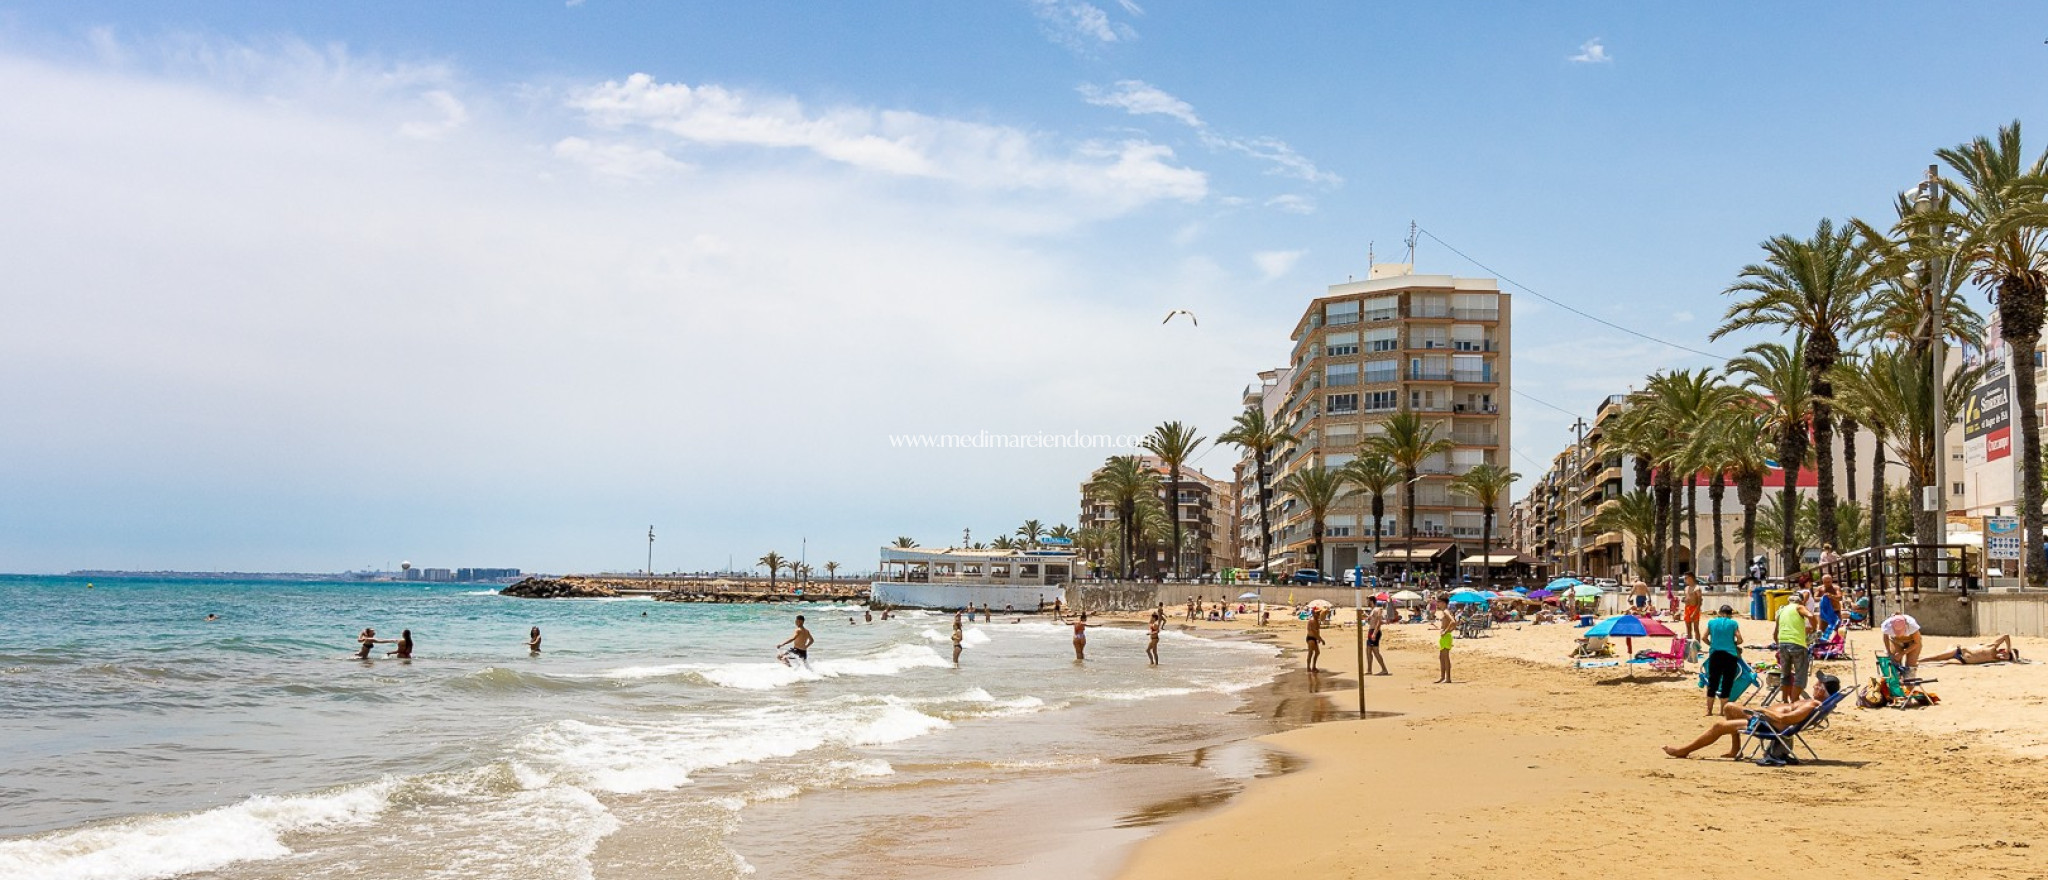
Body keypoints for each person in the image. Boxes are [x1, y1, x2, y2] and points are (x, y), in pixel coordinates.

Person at [1663, 674, 1840, 762]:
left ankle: (1684, 750)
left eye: (1819, 684)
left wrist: (1763, 711)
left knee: (1718, 725)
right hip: (1766, 719)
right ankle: (1735, 750)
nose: (1815, 685)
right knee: (1729, 707)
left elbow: (1786, 720)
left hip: (1769, 724)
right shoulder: (1814, 702)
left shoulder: (1811, 705)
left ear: (1823, 689)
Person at [1774, 591, 1820, 702]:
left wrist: (1779, 644)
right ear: (1800, 601)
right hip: (1797, 644)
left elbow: (1775, 632)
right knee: (1800, 675)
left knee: (1785, 675)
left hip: (1783, 643)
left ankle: (1784, 701)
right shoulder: (1799, 607)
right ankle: (1794, 702)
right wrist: (1814, 629)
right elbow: (1811, 615)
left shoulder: (1781, 610)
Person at [1703, 605, 1744, 715]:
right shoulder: (1733, 623)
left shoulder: (1712, 623)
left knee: (1713, 682)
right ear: (1730, 614)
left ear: (1720, 613)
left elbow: (1704, 637)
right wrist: (1734, 643)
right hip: (1730, 655)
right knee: (1727, 682)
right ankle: (1722, 711)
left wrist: (1712, 644)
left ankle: (1709, 711)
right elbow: (1740, 639)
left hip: (1715, 654)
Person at [1925, 635, 2020, 665]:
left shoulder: (1995, 661)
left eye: (2006, 658)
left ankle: (1948, 649)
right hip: (1961, 651)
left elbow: (2015, 661)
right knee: (1936, 657)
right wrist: (2009, 649)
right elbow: (2006, 636)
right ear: (2004, 651)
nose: (2003, 658)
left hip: (1963, 661)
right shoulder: (1992, 647)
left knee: (1944, 663)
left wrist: (2012, 658)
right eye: (2005, 655)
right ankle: (1918, 660)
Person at [1364, 602, 1389, 676]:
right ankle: (1369, 670)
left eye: (1368, 601)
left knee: (1375, 651)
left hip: (1374, 631)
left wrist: (1374, 633)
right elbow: (1372, 621)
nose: (1367, 602)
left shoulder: (1378, 610)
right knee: (1368, 651)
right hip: (1371, 630)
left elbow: (1379, 622)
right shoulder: (1373, 610)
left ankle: (1384, 669)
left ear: (1371, 601)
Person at [1434, 599, 1455, 684]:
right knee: (1441, 657)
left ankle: (1448, 678)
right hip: (1444, 636)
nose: (1437, 604)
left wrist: (1446, 631)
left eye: (1438, 602)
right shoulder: (1444, 612)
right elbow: (1453, 624)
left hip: (1446, 636)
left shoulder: (1446, 611)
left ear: (1443, 603)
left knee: (1445, 657)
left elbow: (1453, 622)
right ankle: (1443, 677)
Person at [1682, 573, 1704, 642]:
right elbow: (1687, 597)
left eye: (1686, 578)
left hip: (1694, 608)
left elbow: (1699, 602)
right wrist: (1684, 600)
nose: (1685, 580)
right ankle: (1689, 644)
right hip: (1687, 608)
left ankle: (1698, 645)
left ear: (1690, 578)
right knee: (1688, 628)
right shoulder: (1686, 588)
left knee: (1696, 628)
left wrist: (1695, 612)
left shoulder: (1697, 588)